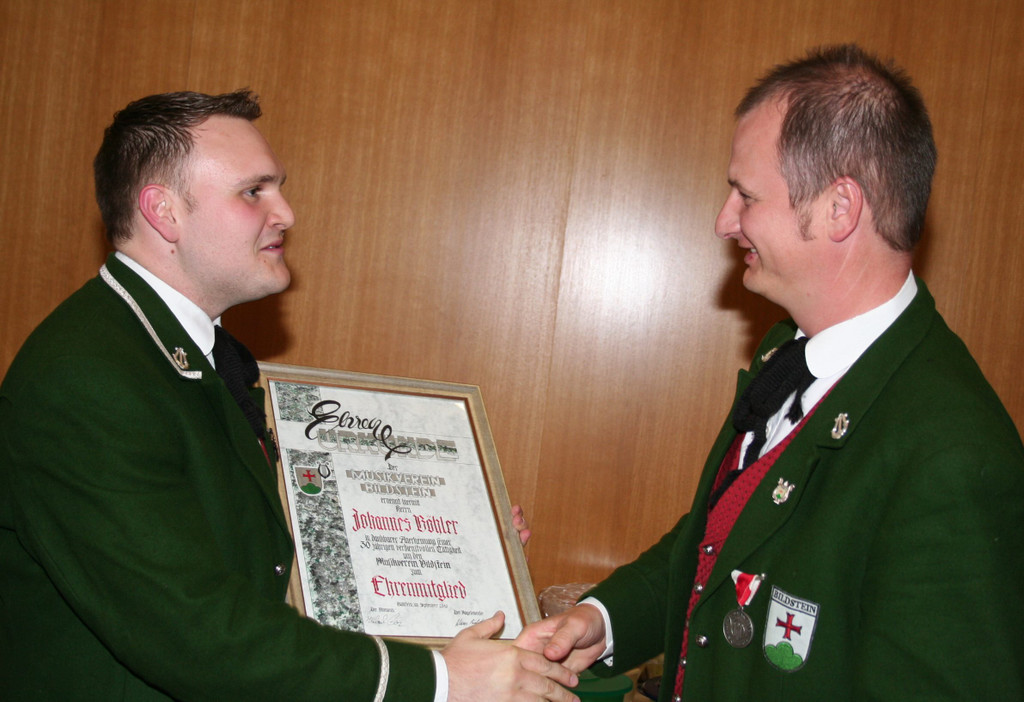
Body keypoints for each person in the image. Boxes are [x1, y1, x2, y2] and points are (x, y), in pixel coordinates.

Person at [0, 89, 577, 702]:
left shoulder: (187, 354)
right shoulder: (87, 377)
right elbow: (195, 633)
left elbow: (246, 549)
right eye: (254, 192)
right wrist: (441, 680)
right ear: (164, 212)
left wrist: (462, 542)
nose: (286, 213)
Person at [516, 44, 1024, 700]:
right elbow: (718, 547)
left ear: (840, 208)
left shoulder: (953, 455)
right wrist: (602, 621)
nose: (724, 222)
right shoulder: (787, 353)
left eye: (747, 196)